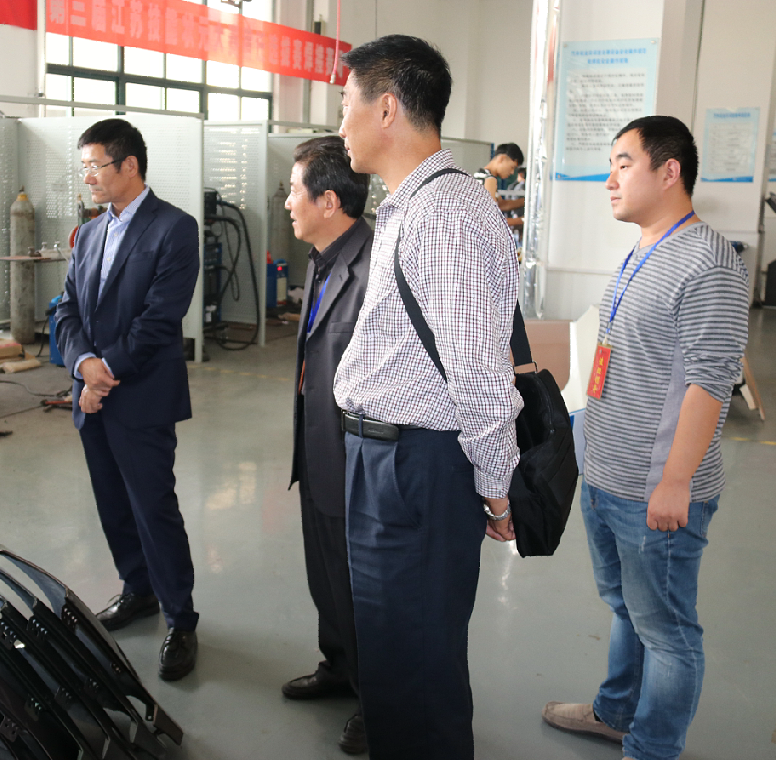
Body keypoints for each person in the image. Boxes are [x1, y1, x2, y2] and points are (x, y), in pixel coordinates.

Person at [331, 35, 522, 758]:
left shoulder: (444, 213)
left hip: (415, 469)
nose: (340, 123)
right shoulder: (413, 205)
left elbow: (479, 373)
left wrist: (497, 493)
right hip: (390, 462)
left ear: (386, 108)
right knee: (392, 662)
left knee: (416, 668)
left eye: (346, 104)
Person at [542, 116, 749, 760]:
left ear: (669, 171)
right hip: (608, 473)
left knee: (667, 631)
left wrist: (676, 482)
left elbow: (710, 382)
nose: (609, 180)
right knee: (627, 607)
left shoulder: (708, 261)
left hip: (655, 490)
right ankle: (616, 713)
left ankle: (652, 748)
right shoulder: (647, 247)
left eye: (624, 164)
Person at [54, 118, 201, 681]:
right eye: (84, 167)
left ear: (129, 165)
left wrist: (104, 372)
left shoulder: (174, 228)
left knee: (152, 506)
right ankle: (137, 589)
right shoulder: (90, 233)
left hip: (140, 397)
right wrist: (83, 366)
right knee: (112, 503)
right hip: (93, 396)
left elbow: (160, 319)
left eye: (95, 166)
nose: (87, 176)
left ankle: (180, 619)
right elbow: (66, 309)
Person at [282, 136, 373, 755]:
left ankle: (376, 697)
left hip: (355, 464)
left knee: (359, 589)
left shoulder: (373, 268)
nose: (289, 202)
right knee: (326, 578)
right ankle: (338, 666)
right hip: (317, 451)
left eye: (296, 191)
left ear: (329, 201)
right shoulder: (321, 258)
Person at [474, 142, 526, 228]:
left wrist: (526, 201)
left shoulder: (483, 175)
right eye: (512, 167)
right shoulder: (488, 179)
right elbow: (491, 219)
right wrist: (523, 220)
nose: (512, 172)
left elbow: (501, 205)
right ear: (502, 158)